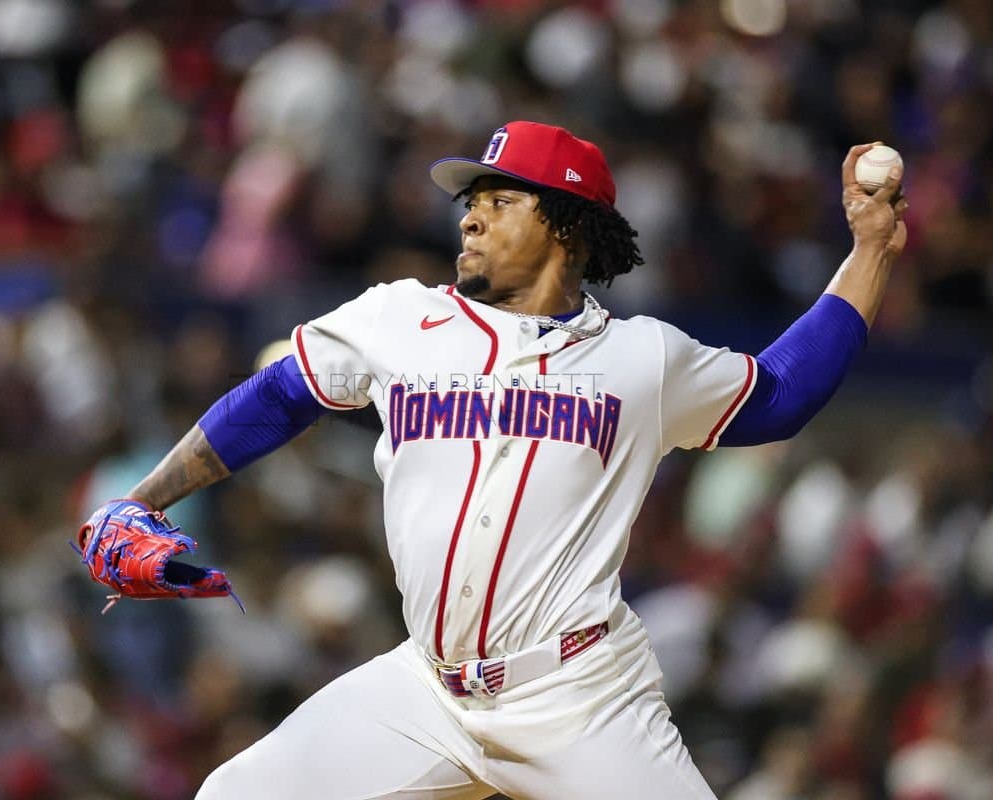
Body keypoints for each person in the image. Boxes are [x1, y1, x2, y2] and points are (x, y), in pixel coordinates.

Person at [86, 121, 908, 799]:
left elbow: (781, 395)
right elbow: (276, 397)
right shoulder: (398, 319)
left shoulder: (642, 359)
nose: (469, 218)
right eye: (469, 202)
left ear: (566, 225)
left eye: (498, 199)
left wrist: (870, 248)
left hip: (579, 698)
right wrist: (149, 497)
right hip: (426, 690)